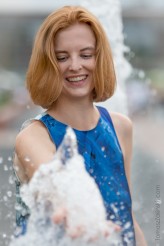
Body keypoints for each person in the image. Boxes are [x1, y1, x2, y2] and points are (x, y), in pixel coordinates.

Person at [13, 5, 147, 246]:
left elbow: (128, 218)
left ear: (100, 57)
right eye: (62, 57)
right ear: (47, 64)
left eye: (86, 55)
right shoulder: (34, 136)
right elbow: (58, 190)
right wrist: (79, 217)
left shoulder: (121, 127)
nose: (75, 66)